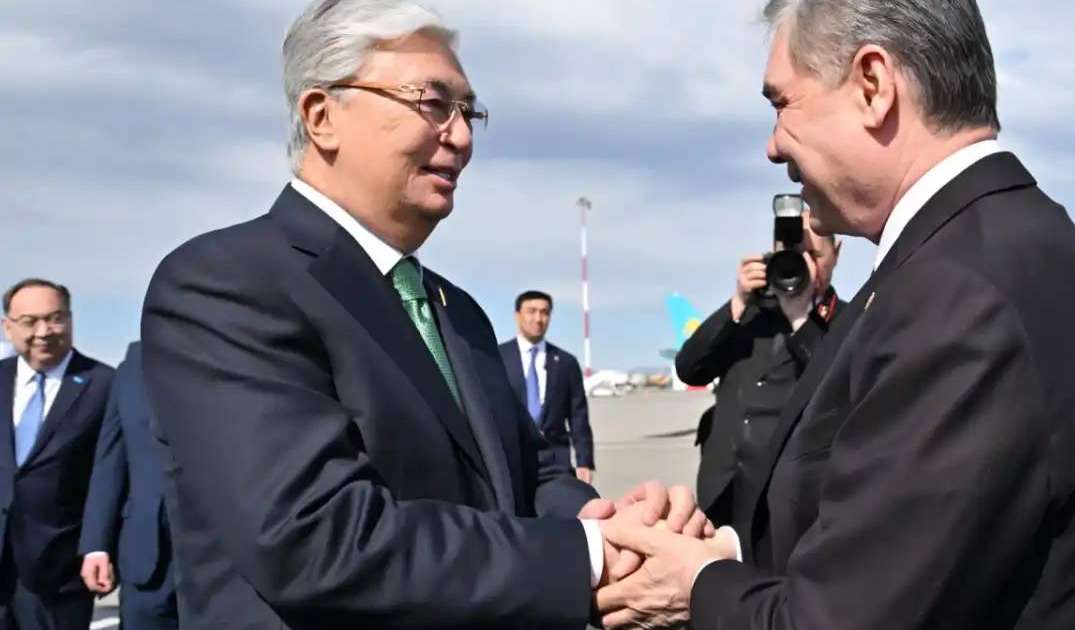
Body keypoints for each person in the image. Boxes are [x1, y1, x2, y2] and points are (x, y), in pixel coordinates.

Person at [139, 2, 716, 628]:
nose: (462, 137)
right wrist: (590, 556)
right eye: (432, 103)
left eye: (469, 111)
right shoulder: (228, 284)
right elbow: (319, 541)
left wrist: (605, 520)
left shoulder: (455, 311)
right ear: (322, 115)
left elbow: (528, 470)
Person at [593, 1, 1075, 628]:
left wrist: (695, 588)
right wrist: (719, 550)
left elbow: (843, 618)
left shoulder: (961, 294)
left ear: (873, 85)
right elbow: (903, 537)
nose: (773, 145)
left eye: (781, 104)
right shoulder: (997, 249)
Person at [676, 210, 841, 528]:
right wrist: (737, 302)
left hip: (790, 504)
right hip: (723, 491)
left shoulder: (845, 320)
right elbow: (689, 370)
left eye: (814, 255)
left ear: (837, 254)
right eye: (792, 256)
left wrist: (801, 319)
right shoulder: (747, 317)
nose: (803, 265)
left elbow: (837, 388)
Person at [0, 279, 115, 630]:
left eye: (55, 318)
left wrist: (97, 546)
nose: (43, 331)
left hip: (60, 569)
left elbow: (108, 472)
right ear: (8, 326)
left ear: (70, 319)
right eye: (29, 321)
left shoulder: (104, 384)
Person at [80, 341, 179, 630]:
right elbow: (111, 458)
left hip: (227, 564)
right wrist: (97, 545)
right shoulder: (134, 363)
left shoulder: (240, 351)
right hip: (146, 560)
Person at [499, 291, 595, 484]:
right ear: (517, 315)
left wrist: (585, 461)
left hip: (557, 462)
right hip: (512, 461)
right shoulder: (498, 358)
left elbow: (578, 416)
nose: (538, 318)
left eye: (544, 312)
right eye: (531, 311)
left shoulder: (566, 362)